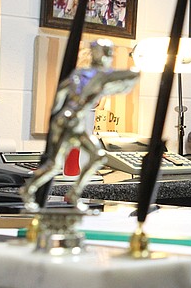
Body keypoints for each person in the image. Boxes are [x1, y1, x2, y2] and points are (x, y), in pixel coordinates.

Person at [20, 39, 139, 212]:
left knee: (92, 156)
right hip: (71, 121)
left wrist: (56, 114)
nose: (109, 57)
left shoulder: (79, 73)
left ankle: (69, 193)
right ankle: (30, 190)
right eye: (107, 53)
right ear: (98, 54)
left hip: (67, 119)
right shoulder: (100, 75)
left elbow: (60, 92)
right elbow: (128, 77)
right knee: (56, 164)